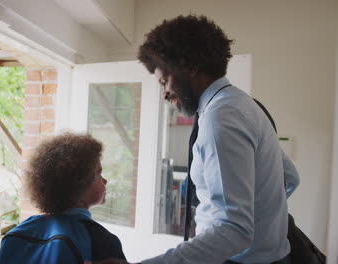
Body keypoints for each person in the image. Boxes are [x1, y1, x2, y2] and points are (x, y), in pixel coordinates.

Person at [92, 14, 300, 264]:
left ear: (189, 66)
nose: (165, 94)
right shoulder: (245, 105)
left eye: (164, 81)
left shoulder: (220, 118)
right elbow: (289, 178)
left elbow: (234, 231)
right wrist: (263, 223)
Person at [0, 132, 126, 263]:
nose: (105, 181)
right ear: (79, 184)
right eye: (99, 175)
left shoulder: (19, 231)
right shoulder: (103, 241)